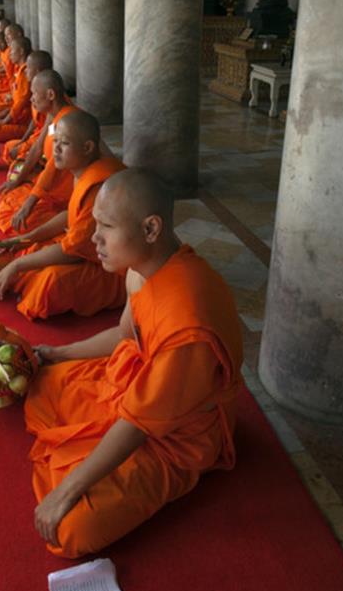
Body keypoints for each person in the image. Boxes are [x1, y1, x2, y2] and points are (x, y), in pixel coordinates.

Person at [24, 168, 244, 558]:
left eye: (106, 226)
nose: (94, 239)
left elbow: (139, 426)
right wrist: (57, 353)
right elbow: (127, 335)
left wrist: (68, 491)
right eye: (96, 224)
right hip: (143, 388)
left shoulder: (187, 323)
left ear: (150, 229)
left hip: (174, 437)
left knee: (72, 528)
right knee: (47, 380)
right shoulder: (142, 271)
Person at [0, 110, 126, 319]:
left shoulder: (99, 188)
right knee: (33, 247)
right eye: (55, 141)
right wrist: (29, 238)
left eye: (64, 143)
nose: (55, 149)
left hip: (116, 269)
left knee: (49, 283)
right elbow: (69, 214)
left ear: (88, 147)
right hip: (89, 249)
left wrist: (16, 265)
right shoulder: (82, 172)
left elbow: (74, 251)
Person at [0, 70, 77, 235]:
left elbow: (53, 167)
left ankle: (61, 222)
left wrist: (28, 205)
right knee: (8, 196)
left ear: (51, 94)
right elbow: (38, 147)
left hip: (62, 194)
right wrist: (18, 181)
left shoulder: (69, 122)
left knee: (11, 220)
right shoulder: (52, 115)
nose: (31, 98)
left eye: (34, 93)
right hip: (49, 185)